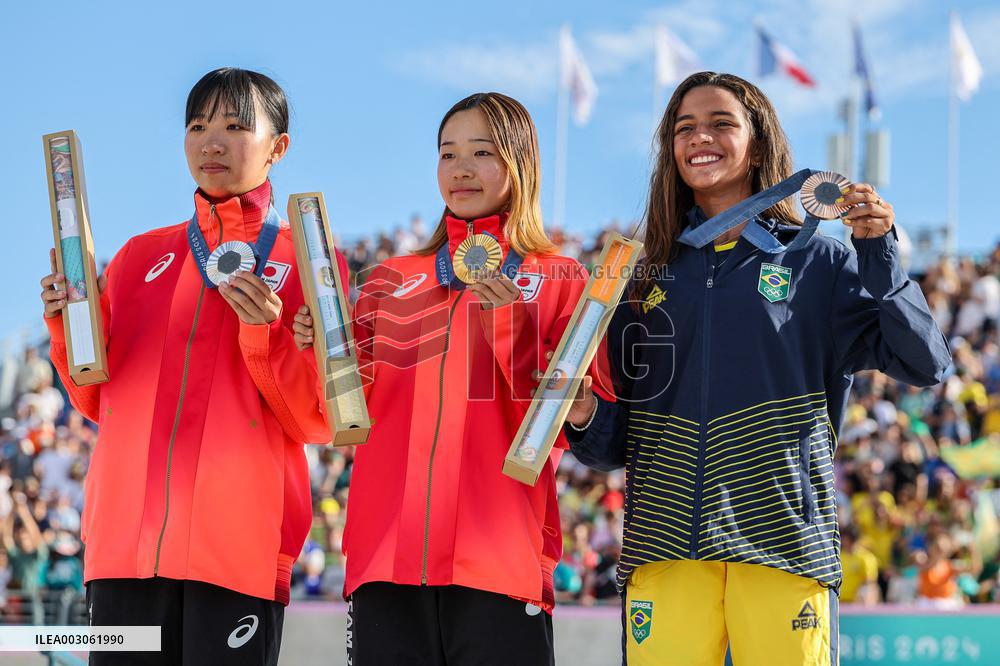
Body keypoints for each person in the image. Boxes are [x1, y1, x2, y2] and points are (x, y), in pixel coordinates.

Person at [563, 72, 951, 666]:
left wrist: (879, 256)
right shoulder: (642, 276)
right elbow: (619, 443)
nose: (701, 138)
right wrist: (586, 413)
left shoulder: (817, 259)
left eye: (722, 123)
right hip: (664, 548)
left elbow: (924, 363)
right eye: (684, 127)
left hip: (784, 544)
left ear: (759, 143)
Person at [38, 67, 347, 665]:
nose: (212, 142)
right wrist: (63, 322)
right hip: (122, 555)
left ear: (277, 148)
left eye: (236, 126)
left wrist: (268, 336)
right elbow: (96, 398)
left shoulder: (304, 259)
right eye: (198, 126)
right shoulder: (138, 257)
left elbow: (317, 420)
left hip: (237, 554)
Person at [294, 92, 606, 665]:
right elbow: (336, 415)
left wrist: (511, 325)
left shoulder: (561, 277)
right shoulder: (391, 279)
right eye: (447, 153)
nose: (460, 168)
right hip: (384, 563)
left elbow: (565, 425)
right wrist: (319, 348)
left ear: (520, 163)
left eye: (482, 152)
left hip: (499, 564)